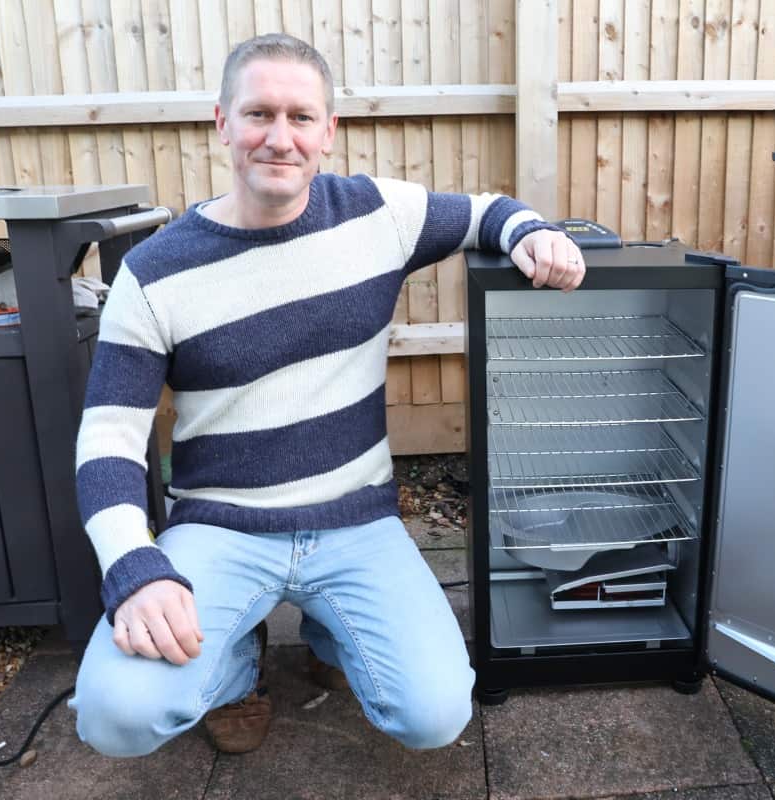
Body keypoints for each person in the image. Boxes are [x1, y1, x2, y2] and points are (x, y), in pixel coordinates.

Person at [70, 32, 585, 757]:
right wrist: (134, 567)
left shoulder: (377, 214)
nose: (280, 138)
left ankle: (327, 633)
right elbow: (109, 439)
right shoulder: (155, 271)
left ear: (328, 132)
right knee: (115, 717)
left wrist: (532, 232)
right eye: (258, 114)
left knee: (435, 715)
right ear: (222, 122)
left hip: (355, 523)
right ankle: (237, 666)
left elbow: (482, 210)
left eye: (301, 117)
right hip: (221, 527)